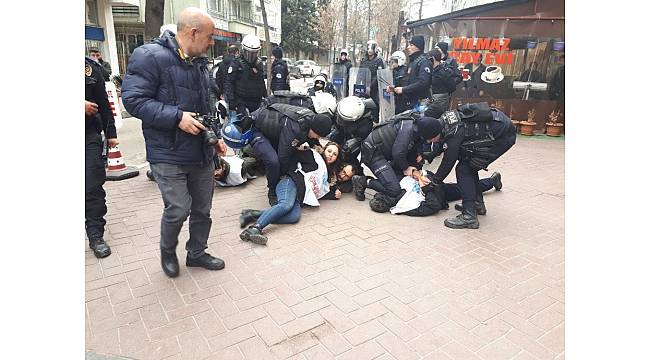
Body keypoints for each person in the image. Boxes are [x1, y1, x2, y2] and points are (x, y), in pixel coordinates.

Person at [121, 7, 228, 277]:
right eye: (210, 36)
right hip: (167, 152)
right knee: (179, 208)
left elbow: (207, 104)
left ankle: (197, 252)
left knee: (203, 208)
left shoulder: (200, 63)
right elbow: (133, 100)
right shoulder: (149, 56)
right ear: (193, 33)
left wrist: (214, 137)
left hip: (200, 151)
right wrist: (176, 117)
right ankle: (167, 250)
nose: (212, 42)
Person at [424, 102, 516, 229]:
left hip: (503, 136)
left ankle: (469, 216)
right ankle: (476, 204)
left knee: (464, 168)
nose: (429, 142)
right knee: (469, 164)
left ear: (435, 133)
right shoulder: (443, 122)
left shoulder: (454, 132)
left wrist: (434, 182)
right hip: (499, 127)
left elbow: (448, 161)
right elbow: (442, 143)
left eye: (429, 139)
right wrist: (430, 155)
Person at [238, 142, 341, 244]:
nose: (331, 154)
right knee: (286, 205)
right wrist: (291, 173)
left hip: (298, 197)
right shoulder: (313, 156)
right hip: (290, 183)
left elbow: (318, 191)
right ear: (324, 150)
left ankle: (252, 214)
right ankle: (255, 228)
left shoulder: (326, 174)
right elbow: (294, 154)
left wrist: (333, 195)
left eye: (334, 154)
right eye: (329, 151)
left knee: (294, 217)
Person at [249, 103, 332, 205]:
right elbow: (283, 156)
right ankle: (272, 191)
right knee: (273, 161)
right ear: (312, 129)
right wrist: (284, 176)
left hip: (276, 130)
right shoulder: (295, 129)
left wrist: (318, 148)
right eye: (317, 135)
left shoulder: (311, 119)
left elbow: (310, 138)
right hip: (257, 129)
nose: (317, 138)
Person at [352, 112, 441, 206]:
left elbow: (410, 152)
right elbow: (398, 153)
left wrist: (416, 171)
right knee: (394, 190)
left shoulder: (417, 129)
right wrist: (406, 168)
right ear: (429, 133)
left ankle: (386, 179)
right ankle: (362, 181)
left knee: (401, 180)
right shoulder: (408, 130)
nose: (434, 140)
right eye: (435, 137)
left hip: (386, 154)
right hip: (373, 153)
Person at [85, 56, 119, 258]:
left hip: (88, 135)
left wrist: (111, 133)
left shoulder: (89, 68)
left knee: (92, 186)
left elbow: (103, 104)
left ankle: (95, 234)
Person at [370, 169, 502, 216]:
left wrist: (417, 174)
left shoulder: (392, 188)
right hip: (434, 191)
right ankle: (492, 181)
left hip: (430, 181)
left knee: (463, 188)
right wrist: (425, 188)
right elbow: (433, 206)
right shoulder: (403, 207)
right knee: (464, 189)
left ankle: (491, 181)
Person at [329, 96, 376, 175]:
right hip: (342, 131)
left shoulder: (364, 126)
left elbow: (362, 138)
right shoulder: (347, 105)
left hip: (355, 137)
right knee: (333, 139)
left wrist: (357, 141)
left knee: (349, 149)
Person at [225, 34, 266, 115]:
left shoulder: (259, 64)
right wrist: (232, 101)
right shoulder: (236, 63)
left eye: (254, 53)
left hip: (257, 102)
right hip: (241, 102)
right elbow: (229, 83)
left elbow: (261, 82)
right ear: (243, 50)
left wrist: (266, 97)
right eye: (248, 53)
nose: (251, 56)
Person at [387, 36, 431, 112]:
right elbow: (406, 80)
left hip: (417, 104)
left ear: (418, 47)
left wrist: (403, 89)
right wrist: (394, 87)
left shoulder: (424, 62)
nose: (408, 47)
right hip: (406, 102)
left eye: (411, 45)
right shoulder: (412, 61)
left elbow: (423, 83)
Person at [359, 40, 386, 120]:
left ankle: (375, 121)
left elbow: (378, 75)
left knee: (375, 105)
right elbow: (360, 73)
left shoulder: (379, 60)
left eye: (372, 48)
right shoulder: (364, 60)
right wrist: (357, 84)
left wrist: (370, 86)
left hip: (375, 88)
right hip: (364, 87)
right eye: (368, 48)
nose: (370, 50)